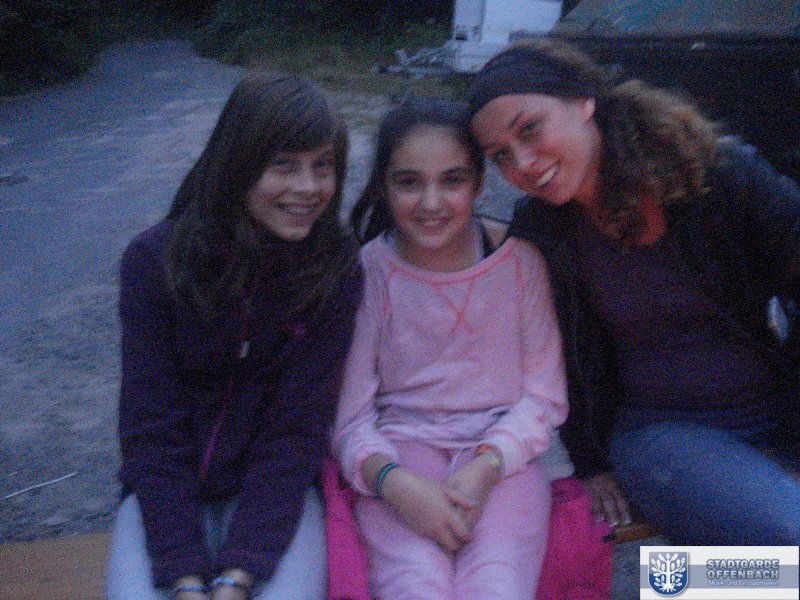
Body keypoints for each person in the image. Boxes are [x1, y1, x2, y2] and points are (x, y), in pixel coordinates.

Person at [466, 37, 800, 545]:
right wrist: (590, 462)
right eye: (501, 156)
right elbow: (554, 357)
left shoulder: (713, 175)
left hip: (775, 409)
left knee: (758, 558)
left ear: (583, 101)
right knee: (788, 534)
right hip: (663, 435)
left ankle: (686, 580)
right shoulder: (545, 232)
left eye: (530, 129)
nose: (524, 163)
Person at [106, 72, 362, 600]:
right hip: (167, 497)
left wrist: (239, 575)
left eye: (323, 166)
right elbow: (150, 427)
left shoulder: (333, 269)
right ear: (237, 165)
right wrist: (184, 576)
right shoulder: (156, 262)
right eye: (283, 165)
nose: (308, 188)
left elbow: (297, 431)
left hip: (274, 498)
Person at [333, 97, 568, 600]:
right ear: (384, 185)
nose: (431, 202)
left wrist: (488, 463)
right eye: (409, 182)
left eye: (452, 180)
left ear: (479, 183)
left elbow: (544, 396)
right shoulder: (370, 273)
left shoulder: (519, 263)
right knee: (415, 585)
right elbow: (348, 419)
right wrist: (393, 483)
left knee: (496, 584)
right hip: (400, 456)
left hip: (503, 461)